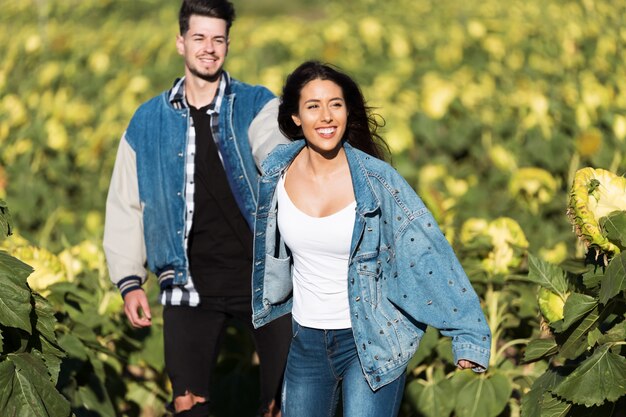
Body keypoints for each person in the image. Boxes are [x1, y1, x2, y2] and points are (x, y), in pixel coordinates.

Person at [251, 61, 492, 417]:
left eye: (336, 104)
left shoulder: (379, 181)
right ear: (295, 117)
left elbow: (424, 252)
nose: (326, 116)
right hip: (306, 341)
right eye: (313, 106)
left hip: (372, 339)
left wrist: (468, 335)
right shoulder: (276, 172)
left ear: (348, 111)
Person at [103, 1, 291, 416]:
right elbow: (125, 203)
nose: (209, 48)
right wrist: (129, 280)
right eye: (200, 38)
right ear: (181, 42)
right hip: (190, 285)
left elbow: (276, 149)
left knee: (282, 405)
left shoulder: (257, 104)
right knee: (188, 405)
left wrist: (282, 160)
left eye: (218, 39)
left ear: (227, 44)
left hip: (265, 282)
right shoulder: (147, 121)